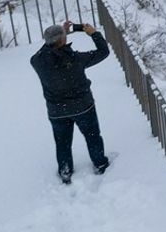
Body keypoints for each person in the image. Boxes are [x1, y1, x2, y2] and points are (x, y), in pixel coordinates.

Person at [30, 20, 111, 184]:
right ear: (62, 41)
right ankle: (100, 163)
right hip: (83, 107)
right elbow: (103, 52)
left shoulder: (38, 62)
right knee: (92, 136)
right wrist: (94, 34)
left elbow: (41, 53)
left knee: (62, 143)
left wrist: (59, 36)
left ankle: (65, 171)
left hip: (56, 111)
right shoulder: (76, 59)